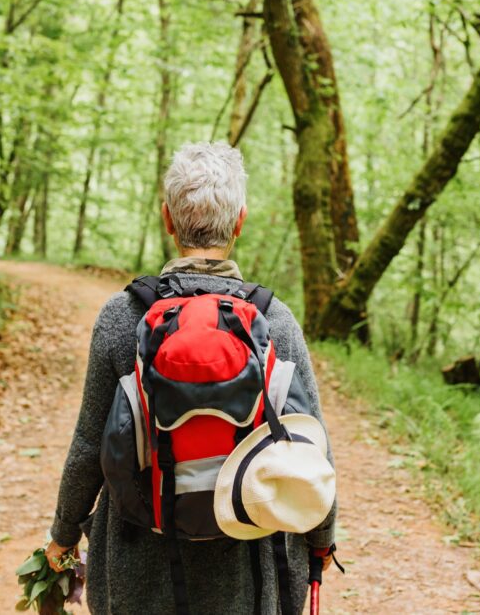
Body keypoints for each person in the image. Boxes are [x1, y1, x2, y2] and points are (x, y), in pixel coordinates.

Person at [45, 142, 336, 614]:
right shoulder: (275, 322)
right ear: (240, 222)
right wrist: (321, 541)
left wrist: (61, 538)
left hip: (138, 568)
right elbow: (314, 447)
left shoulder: (121, 318)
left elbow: (87, 448)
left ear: (168, 219)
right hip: (248, 567)